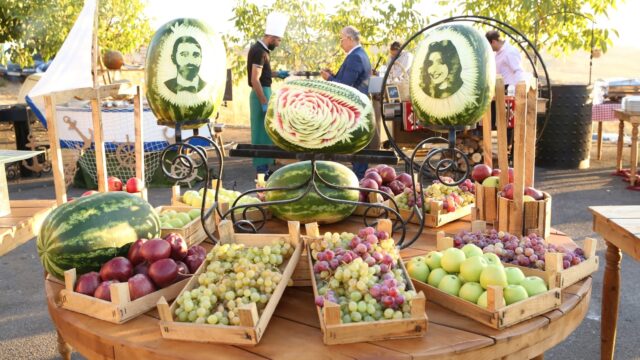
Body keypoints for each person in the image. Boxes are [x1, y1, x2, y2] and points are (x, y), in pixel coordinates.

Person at [321, 26, 371, 179]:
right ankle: (359, 178)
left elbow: (344, 87)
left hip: (355, 109)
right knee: (358, 147)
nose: (340, 43)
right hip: (358, 107)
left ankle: (359, 181)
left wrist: (328, 78)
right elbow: (346, 80)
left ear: (350, 39)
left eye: (341, 39)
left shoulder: (355, 56)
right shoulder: (359, 54)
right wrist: (333, 75)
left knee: (358, 147)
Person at [247, 12, 289, 177]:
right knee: (260, 134)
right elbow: (255, 79)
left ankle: (264, 170)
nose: (278, 44)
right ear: (271, 36)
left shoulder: (261, 50)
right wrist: (264, 102)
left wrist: (277, 74)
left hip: (264, 91)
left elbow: (263, 74)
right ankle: (261, 172)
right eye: (278, 40)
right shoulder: (259, 51)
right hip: (260, 95)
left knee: (267, 134)